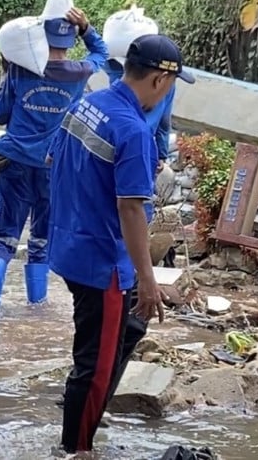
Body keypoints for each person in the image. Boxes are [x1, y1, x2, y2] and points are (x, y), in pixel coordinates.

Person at [47, 34, 194, 454]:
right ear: (161, 81)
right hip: (103, 264)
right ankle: (76, 448)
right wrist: (147, 279)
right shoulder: (133, 131)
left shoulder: (87, 104)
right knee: (94, 366)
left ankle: (88, 409)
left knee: (130, 327)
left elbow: (54, 162)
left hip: (73, 247)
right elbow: (131, 209)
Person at [0, 7, 108, 315]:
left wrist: (5, 75)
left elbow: (1, 115)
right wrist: (87, 27)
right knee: (41, 236)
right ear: (69, 40)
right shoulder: (80, 72)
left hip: (14, 160)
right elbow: (102, 53)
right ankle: (36, 305)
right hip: (55, 165)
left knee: (4, 233)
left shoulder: (20, 71)